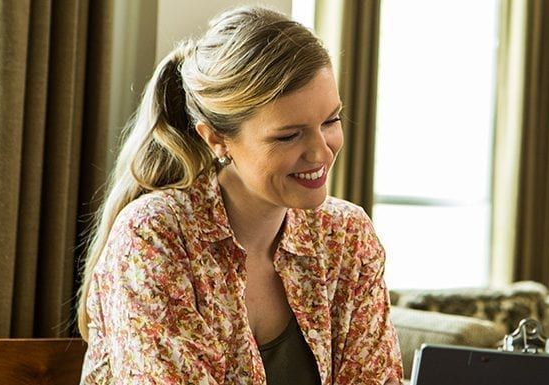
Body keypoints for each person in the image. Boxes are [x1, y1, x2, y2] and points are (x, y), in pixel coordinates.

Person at [77, 7, 402, 384]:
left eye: (330, 120)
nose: (321, 152)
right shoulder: (153, 236)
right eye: (288, 135)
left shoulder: (347, 236)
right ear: (216, 138)